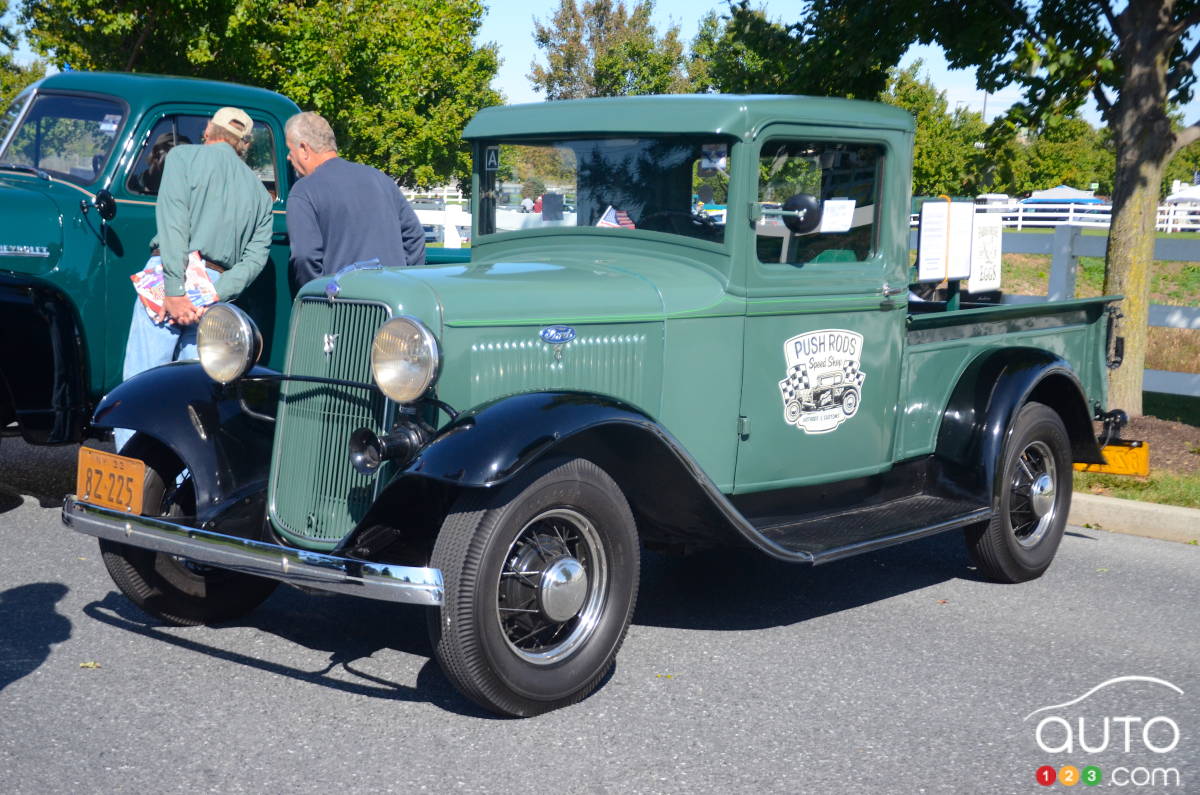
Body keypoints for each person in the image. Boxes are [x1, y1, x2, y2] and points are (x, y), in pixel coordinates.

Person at [114, 106, 273, 450]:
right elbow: (255, 259)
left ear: (208, 130)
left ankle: (131, 468)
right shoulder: (261, 195)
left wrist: (175, 290)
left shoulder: (183, 158)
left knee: (142, 385)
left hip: (166, 281)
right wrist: (213, 294)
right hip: (212, 294)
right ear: (244, 144)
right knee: (191, 394)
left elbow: (173, 225)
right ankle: (177, 474)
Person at [284, 112, 426, 287]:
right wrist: (404, 282)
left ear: (304, 148)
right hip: (393, 298)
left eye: (290, 150)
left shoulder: (304, 191)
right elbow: (415, 237)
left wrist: (318, 293)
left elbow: (304, 256)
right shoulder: (381, 179)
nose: (288, 157)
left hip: (344, 301)